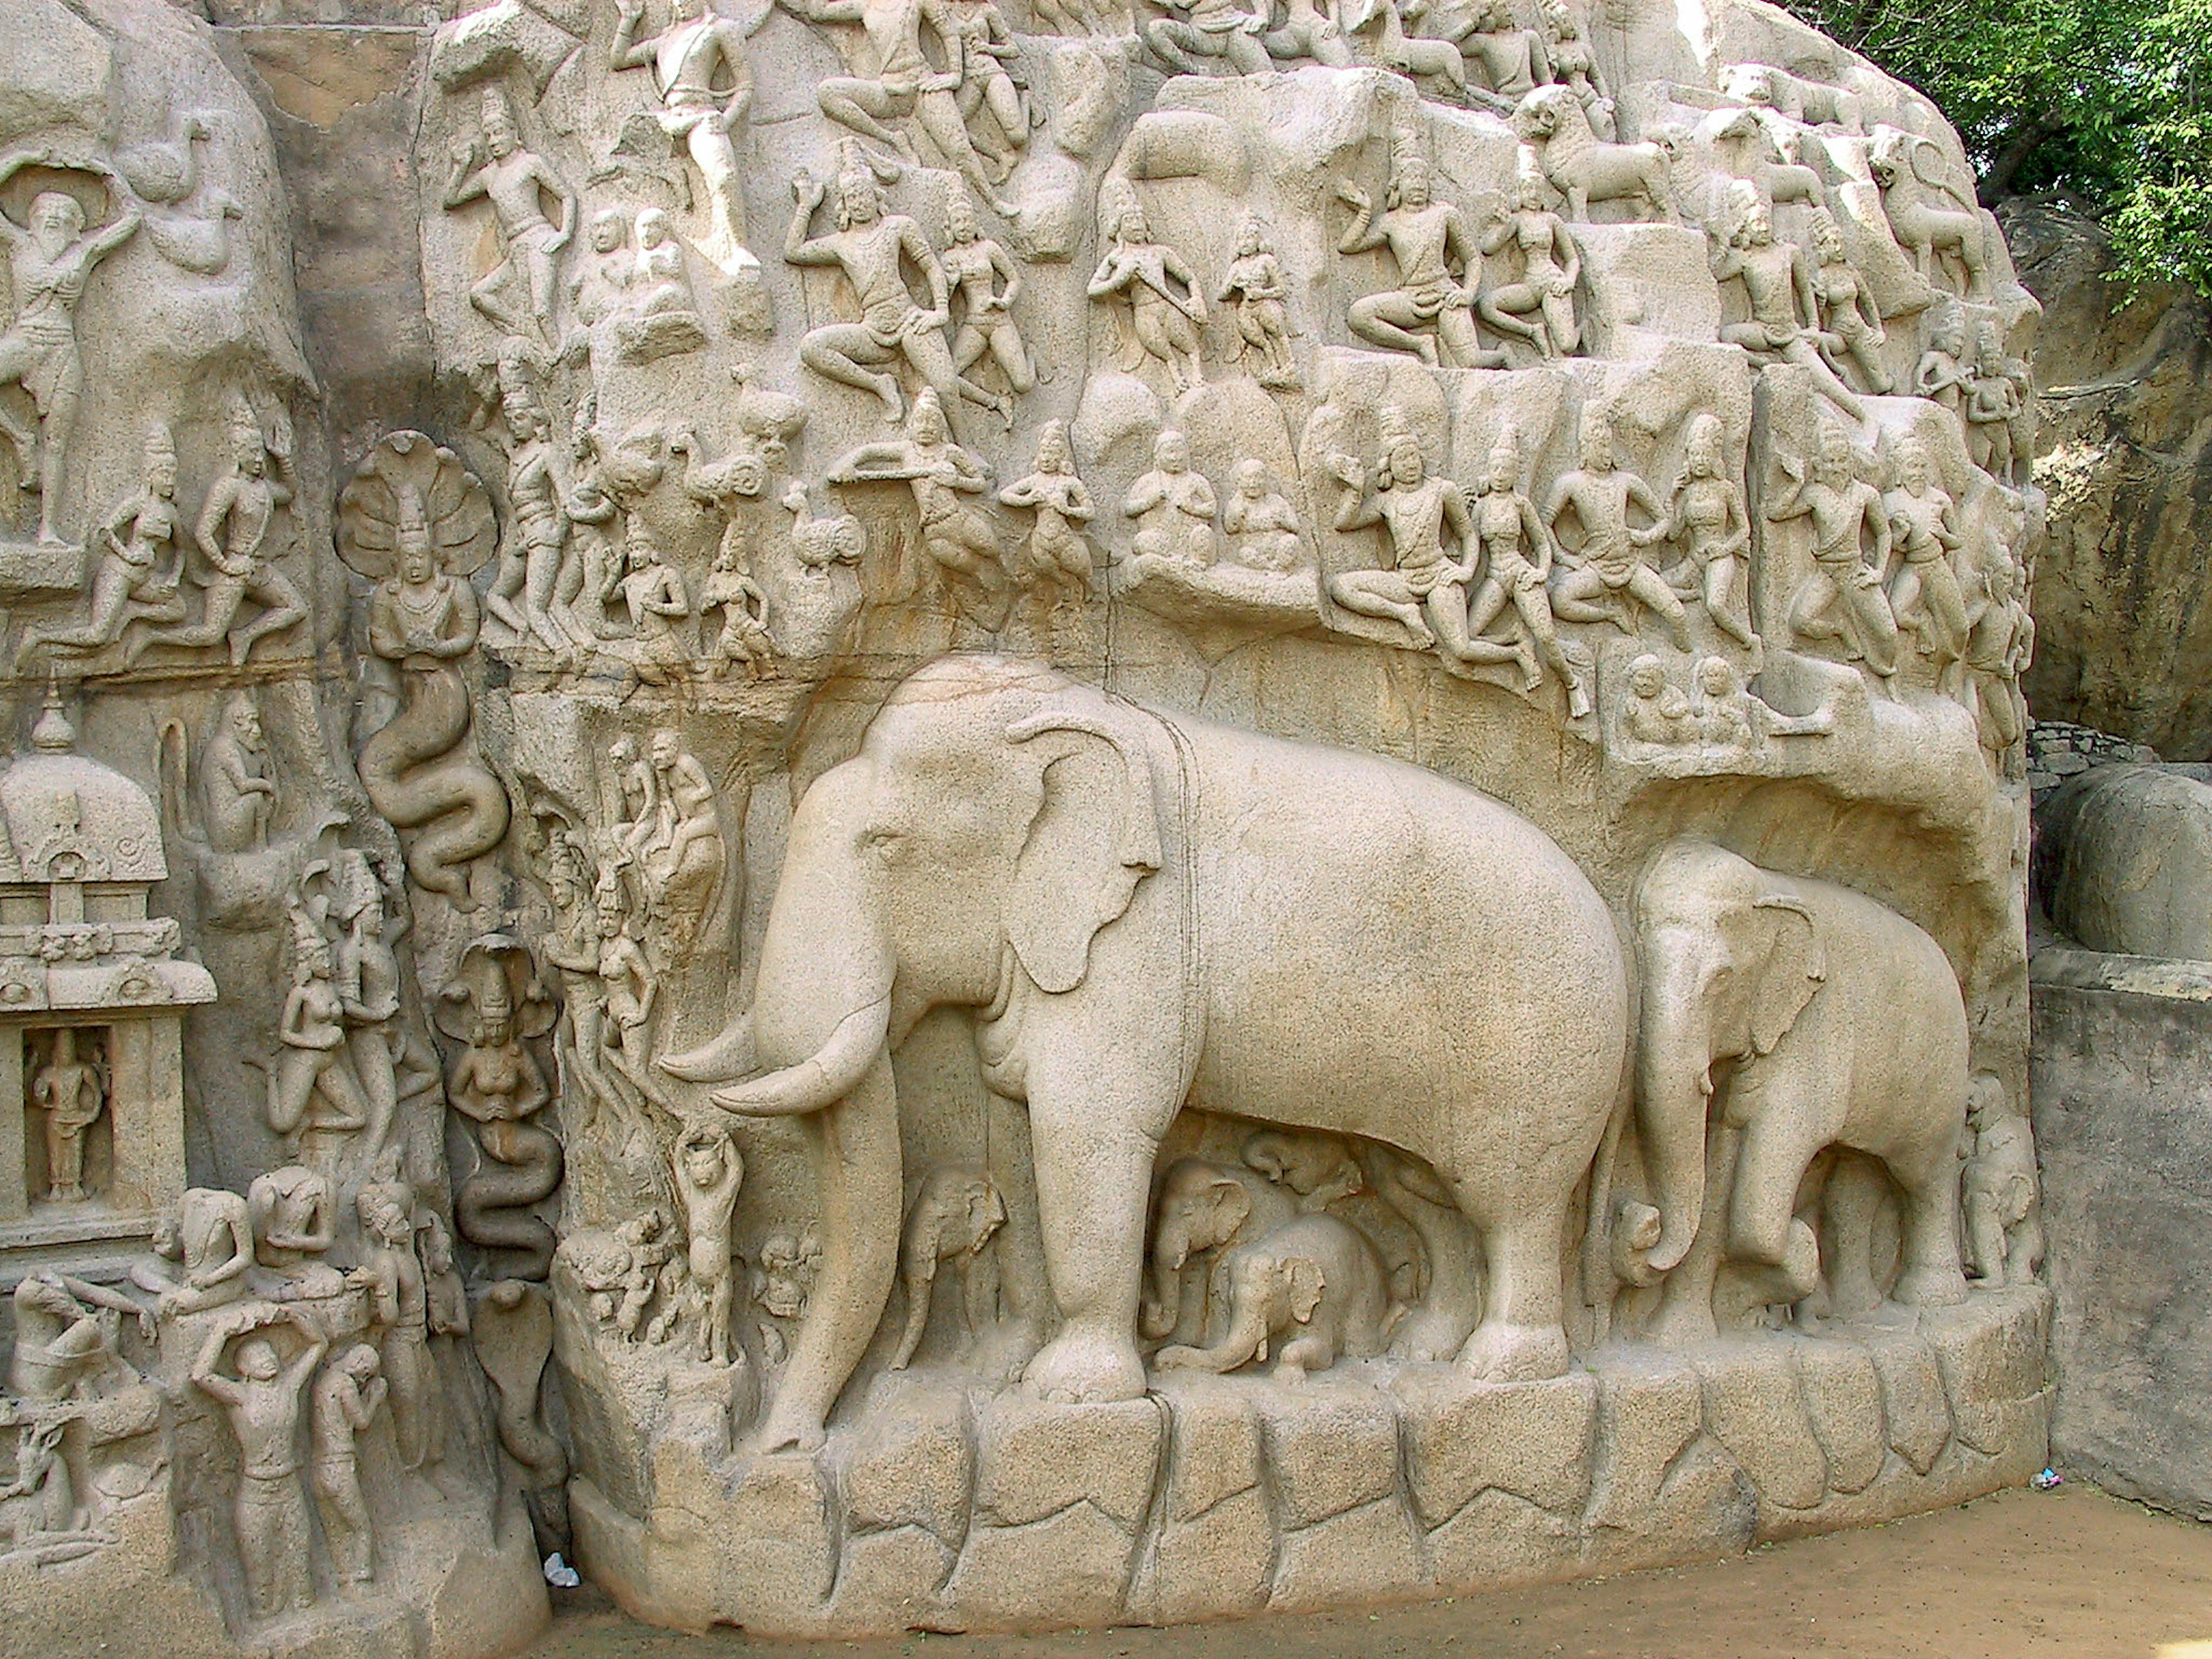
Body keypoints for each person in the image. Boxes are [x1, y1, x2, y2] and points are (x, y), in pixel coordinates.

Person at [784, 158, 979, 440]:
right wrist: (806, 206)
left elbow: (930, 267)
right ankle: (879, 384)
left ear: (877, 197)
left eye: (863, 194)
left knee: (945, 384)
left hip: (910, 322)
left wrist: (939, 311)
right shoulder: (841, 243)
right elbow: (794, 251)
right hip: (873, 331)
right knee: (812, 347)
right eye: (851, 198)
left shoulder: (899, 227)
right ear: (845, 206)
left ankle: (967, 445)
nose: (858, 203)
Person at [0, 180, 140, 544]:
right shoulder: (20, 245)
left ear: (76, 226)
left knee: (57, 443)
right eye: (46, 212)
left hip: (61, 348)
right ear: (32, 220)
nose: (54, 218)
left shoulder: (84, 253)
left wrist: (110, 179)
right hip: (25, 338)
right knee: (40, 438)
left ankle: (48, 528)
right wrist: (21, 161)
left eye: (64, 215)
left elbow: (132, 219)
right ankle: (18, 438)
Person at [1328, 408, 1519, 672]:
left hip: (1440, 577)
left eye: (1414, 456)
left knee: (1462, 648)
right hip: (1405, 580)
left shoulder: (1441, 490)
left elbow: (1467, 532)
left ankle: (1517, 653)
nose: (1410, 464)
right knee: (1341, 587)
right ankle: (1404, 613)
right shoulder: (1387, 499)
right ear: (1390, 466)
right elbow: (1345, 522)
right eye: (1403, 458)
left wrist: (1465, 570)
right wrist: (1355, 489)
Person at [14, 423, 187, 668]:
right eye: (164, 474)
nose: (170, 480)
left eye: (172, 475)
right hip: (120, 572)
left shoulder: (170, 512)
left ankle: (131, 613)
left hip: (143, 580)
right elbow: (105, 530)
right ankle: (39, 637)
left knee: (178, 608)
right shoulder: (137, 504)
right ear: (151, 475)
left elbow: (182, 549)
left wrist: (174, 577)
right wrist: (126, 555)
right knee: (98, 635)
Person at [191, 1304, 327, 1617]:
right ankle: (264, 1608)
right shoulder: (240, 1397)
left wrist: (292, 1315)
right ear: (243, 1369)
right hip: (256, 1490)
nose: (268, 1360)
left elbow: (318, 1345)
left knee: (300, 1559)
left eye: (270, 1354)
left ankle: (305, 1609)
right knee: (259, 1566)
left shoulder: (289, 1387)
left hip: (289, 1484)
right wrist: (222, 1331)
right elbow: (200, 1375)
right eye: (257, 1358)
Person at [1335, 155, 1501, 368]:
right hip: (1411, 298)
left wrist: (1467, 293)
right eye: (1411, 178)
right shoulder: (1391, 222)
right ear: (1398, 186)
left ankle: (1504, 356)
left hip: (1445, 297)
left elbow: (1472, 258)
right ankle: (1420, 344)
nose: (1418, 184)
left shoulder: (1445, 214)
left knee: (1471, 362)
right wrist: (1365, 211)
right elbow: (1348, 245)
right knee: (1359, 315)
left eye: (1422, 179)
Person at [1461, 434, 1588, 712]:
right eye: (1495, 469)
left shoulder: (1520, 505)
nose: (1499, 475)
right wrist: (1463, 509)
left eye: (1506, 470)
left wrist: (1541, 572)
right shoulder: (1482, 506)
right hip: (1496, 575)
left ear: (1515, 473)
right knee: (1468, 636)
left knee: (1546, 636)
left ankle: (1572, 683)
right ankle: (1515, 644)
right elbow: (1469, 543)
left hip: (1521, 573)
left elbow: (1542, 544)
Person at [1546, 410, 1689, 648]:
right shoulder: (1570, 483)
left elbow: (1663, 520)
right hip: (1595, 566)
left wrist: (1644, 537)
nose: (1606, 453)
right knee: (1560, 600)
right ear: (1586, 448)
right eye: (1600, 446)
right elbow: (1544, 522)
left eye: (1608, 446)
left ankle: (1685, 656)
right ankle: (1611, 614)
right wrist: (1564, 557)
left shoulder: (1626, 481)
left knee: (1677, 615)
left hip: (1630, 564)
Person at [441, 86, 575, 340]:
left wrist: (564, 234)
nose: (494, 140)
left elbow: (566, 195)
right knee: (480, 295)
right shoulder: (490, 174)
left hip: (538, 239)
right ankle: (527, 336)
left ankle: (560, 357)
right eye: (489, 135)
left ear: (515, 133)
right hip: (515, 249)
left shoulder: (530, 163)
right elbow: (451, 200)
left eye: (499, 132)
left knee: (543, 312)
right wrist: (462, 166)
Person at [1767, 425, 1897, 677]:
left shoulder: (1866, 495)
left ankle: (1886, 672)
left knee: (1889, 635)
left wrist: (1879, 572)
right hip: (1827, 573)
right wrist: (1796, 483)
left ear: (1851, 462)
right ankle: (1841, 630)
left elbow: (1883, 533)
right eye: (1830, 461)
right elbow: (1776, 513)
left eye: (1841, 461)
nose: (1836, 468)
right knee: (1800, 621)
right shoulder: (1814, 494)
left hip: (1855, 571)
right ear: (1819, 464)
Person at [1659, 412, 1758, 653]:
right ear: (1689, 458)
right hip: (1695, 558)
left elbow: (1744, 528)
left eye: (1705, 455)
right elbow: (1673, 535)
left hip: (1719, 556)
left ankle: (1746, 638)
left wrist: (1725, 548)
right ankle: (1694, 593)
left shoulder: (1725, 490)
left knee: (1715, 606)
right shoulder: (1688, 493)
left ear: (1714, 458)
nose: (1700, 460)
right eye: (1695, 455)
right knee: (1660, 586)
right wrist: (1672, 497)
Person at [1087, 198, 1207, 393]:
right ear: (1119, 227)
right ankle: (1177, 379)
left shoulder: (1160, 253)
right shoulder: (1116, 259)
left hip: (1166, 305)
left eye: (1139, 220)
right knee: (1160, 347)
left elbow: (1188, 277)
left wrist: (1196, 298)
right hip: (1144, 312)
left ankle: (1197, 373)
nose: (1135, 225)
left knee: (1187, 343)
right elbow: (1092, 290)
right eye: (1129, 221)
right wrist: (1118, 280)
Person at [1479, 173, 1581, 359]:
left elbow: (1572, 259)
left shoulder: (1552, 220)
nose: (1534, 195)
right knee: (1487, 306)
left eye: (1538, 190)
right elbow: (1487, 248)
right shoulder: (1517, 220)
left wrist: (1568, 281)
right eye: (1528, 189)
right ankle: (1532, 331)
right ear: (1519, 193)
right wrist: (1504, 225)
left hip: (1553, 283)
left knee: (1567, 345)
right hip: (1530, 284)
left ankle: (1585, 330)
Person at [311, 1345, 385, 1586]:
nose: (364, 1379)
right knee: (361, 1527)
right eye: (366, 1373)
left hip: (319, 1466)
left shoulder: (324, 1378)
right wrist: (374, 1397)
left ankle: (343, 1575)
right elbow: (361, 1421)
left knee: (335, 1528)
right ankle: (363, 1577)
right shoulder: (344, 1385)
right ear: (359, 1362)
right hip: (340, 1465)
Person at [673, 1121, 744, 1365]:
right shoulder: (694, 1198)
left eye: (707, 1162)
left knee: (720, 1315)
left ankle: (721, 1354)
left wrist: (726, 1139)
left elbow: (736, 1171)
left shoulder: (722, 1198)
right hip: (698, 1275)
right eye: (697, 1163)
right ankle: (703, 1348)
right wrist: (682, 1144)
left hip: (718, 1273)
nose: (701, 1169)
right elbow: (680, 1171)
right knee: (703, 1314)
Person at [1217, 219, 1298, 386]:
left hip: (1264, 303)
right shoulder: (1236, 267)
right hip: (1246, 308)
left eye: (1249, 238)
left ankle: (1290, 362)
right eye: (1241, 239)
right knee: (1258, 339)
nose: (1245, 243)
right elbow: (1221, 295)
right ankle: (1272, 365)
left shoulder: (1266, 261)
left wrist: (1262, 293)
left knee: (1278, 332)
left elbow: (1281, 289)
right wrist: (1233, 287)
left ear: (1258, 241)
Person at [32, 1028, 104, 1203]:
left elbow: (98, 1094)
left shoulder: (83, 1070)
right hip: (56, 1116)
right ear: (55, 1051)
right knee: (56, 1154)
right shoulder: (49, 1073)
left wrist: (92, 1114)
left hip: (76, 1115)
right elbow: (38, 1099)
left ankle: (75, 1186)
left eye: (69, 1049)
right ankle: (56, 1187)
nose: (66, 1054)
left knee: (75, 1152)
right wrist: (40, 1093)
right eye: (63, 1050)